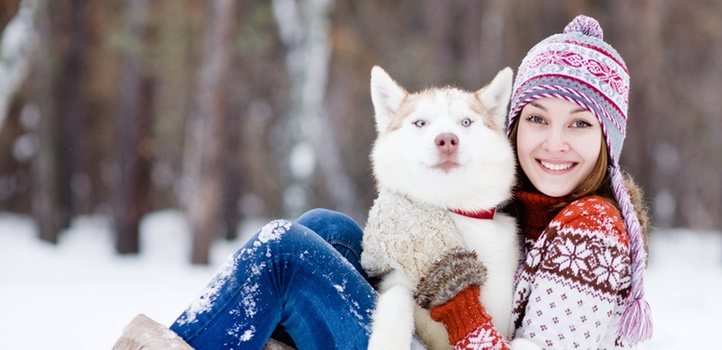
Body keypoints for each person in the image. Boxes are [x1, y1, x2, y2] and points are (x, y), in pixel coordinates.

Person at [113, 14, 652, 350]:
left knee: (283, 253)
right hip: (434, 328)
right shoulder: (532, 204)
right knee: (326, 228)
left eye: (580, 124)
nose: (554, 143)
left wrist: (452, 296)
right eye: (537, 119)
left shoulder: (591, 228)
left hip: (456, 337)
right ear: (512, 125)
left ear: (608, 139)